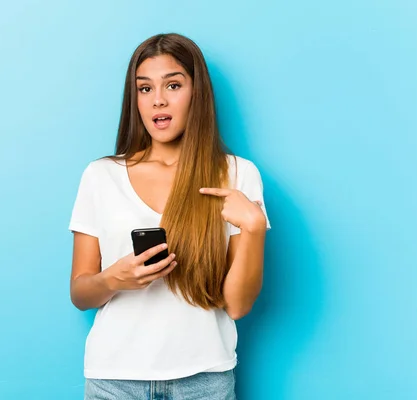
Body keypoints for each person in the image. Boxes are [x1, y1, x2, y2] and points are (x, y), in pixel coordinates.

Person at [68, 33, 271, 400]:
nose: (158, 99)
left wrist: (254, 227)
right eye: (144, 89)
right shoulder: (100, 176)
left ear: (197, 93)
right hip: (114, 380)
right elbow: (80, 293)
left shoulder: (238, 175)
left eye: (173, 85)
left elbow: (238, 306)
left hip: (204, 380)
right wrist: (116, 278)